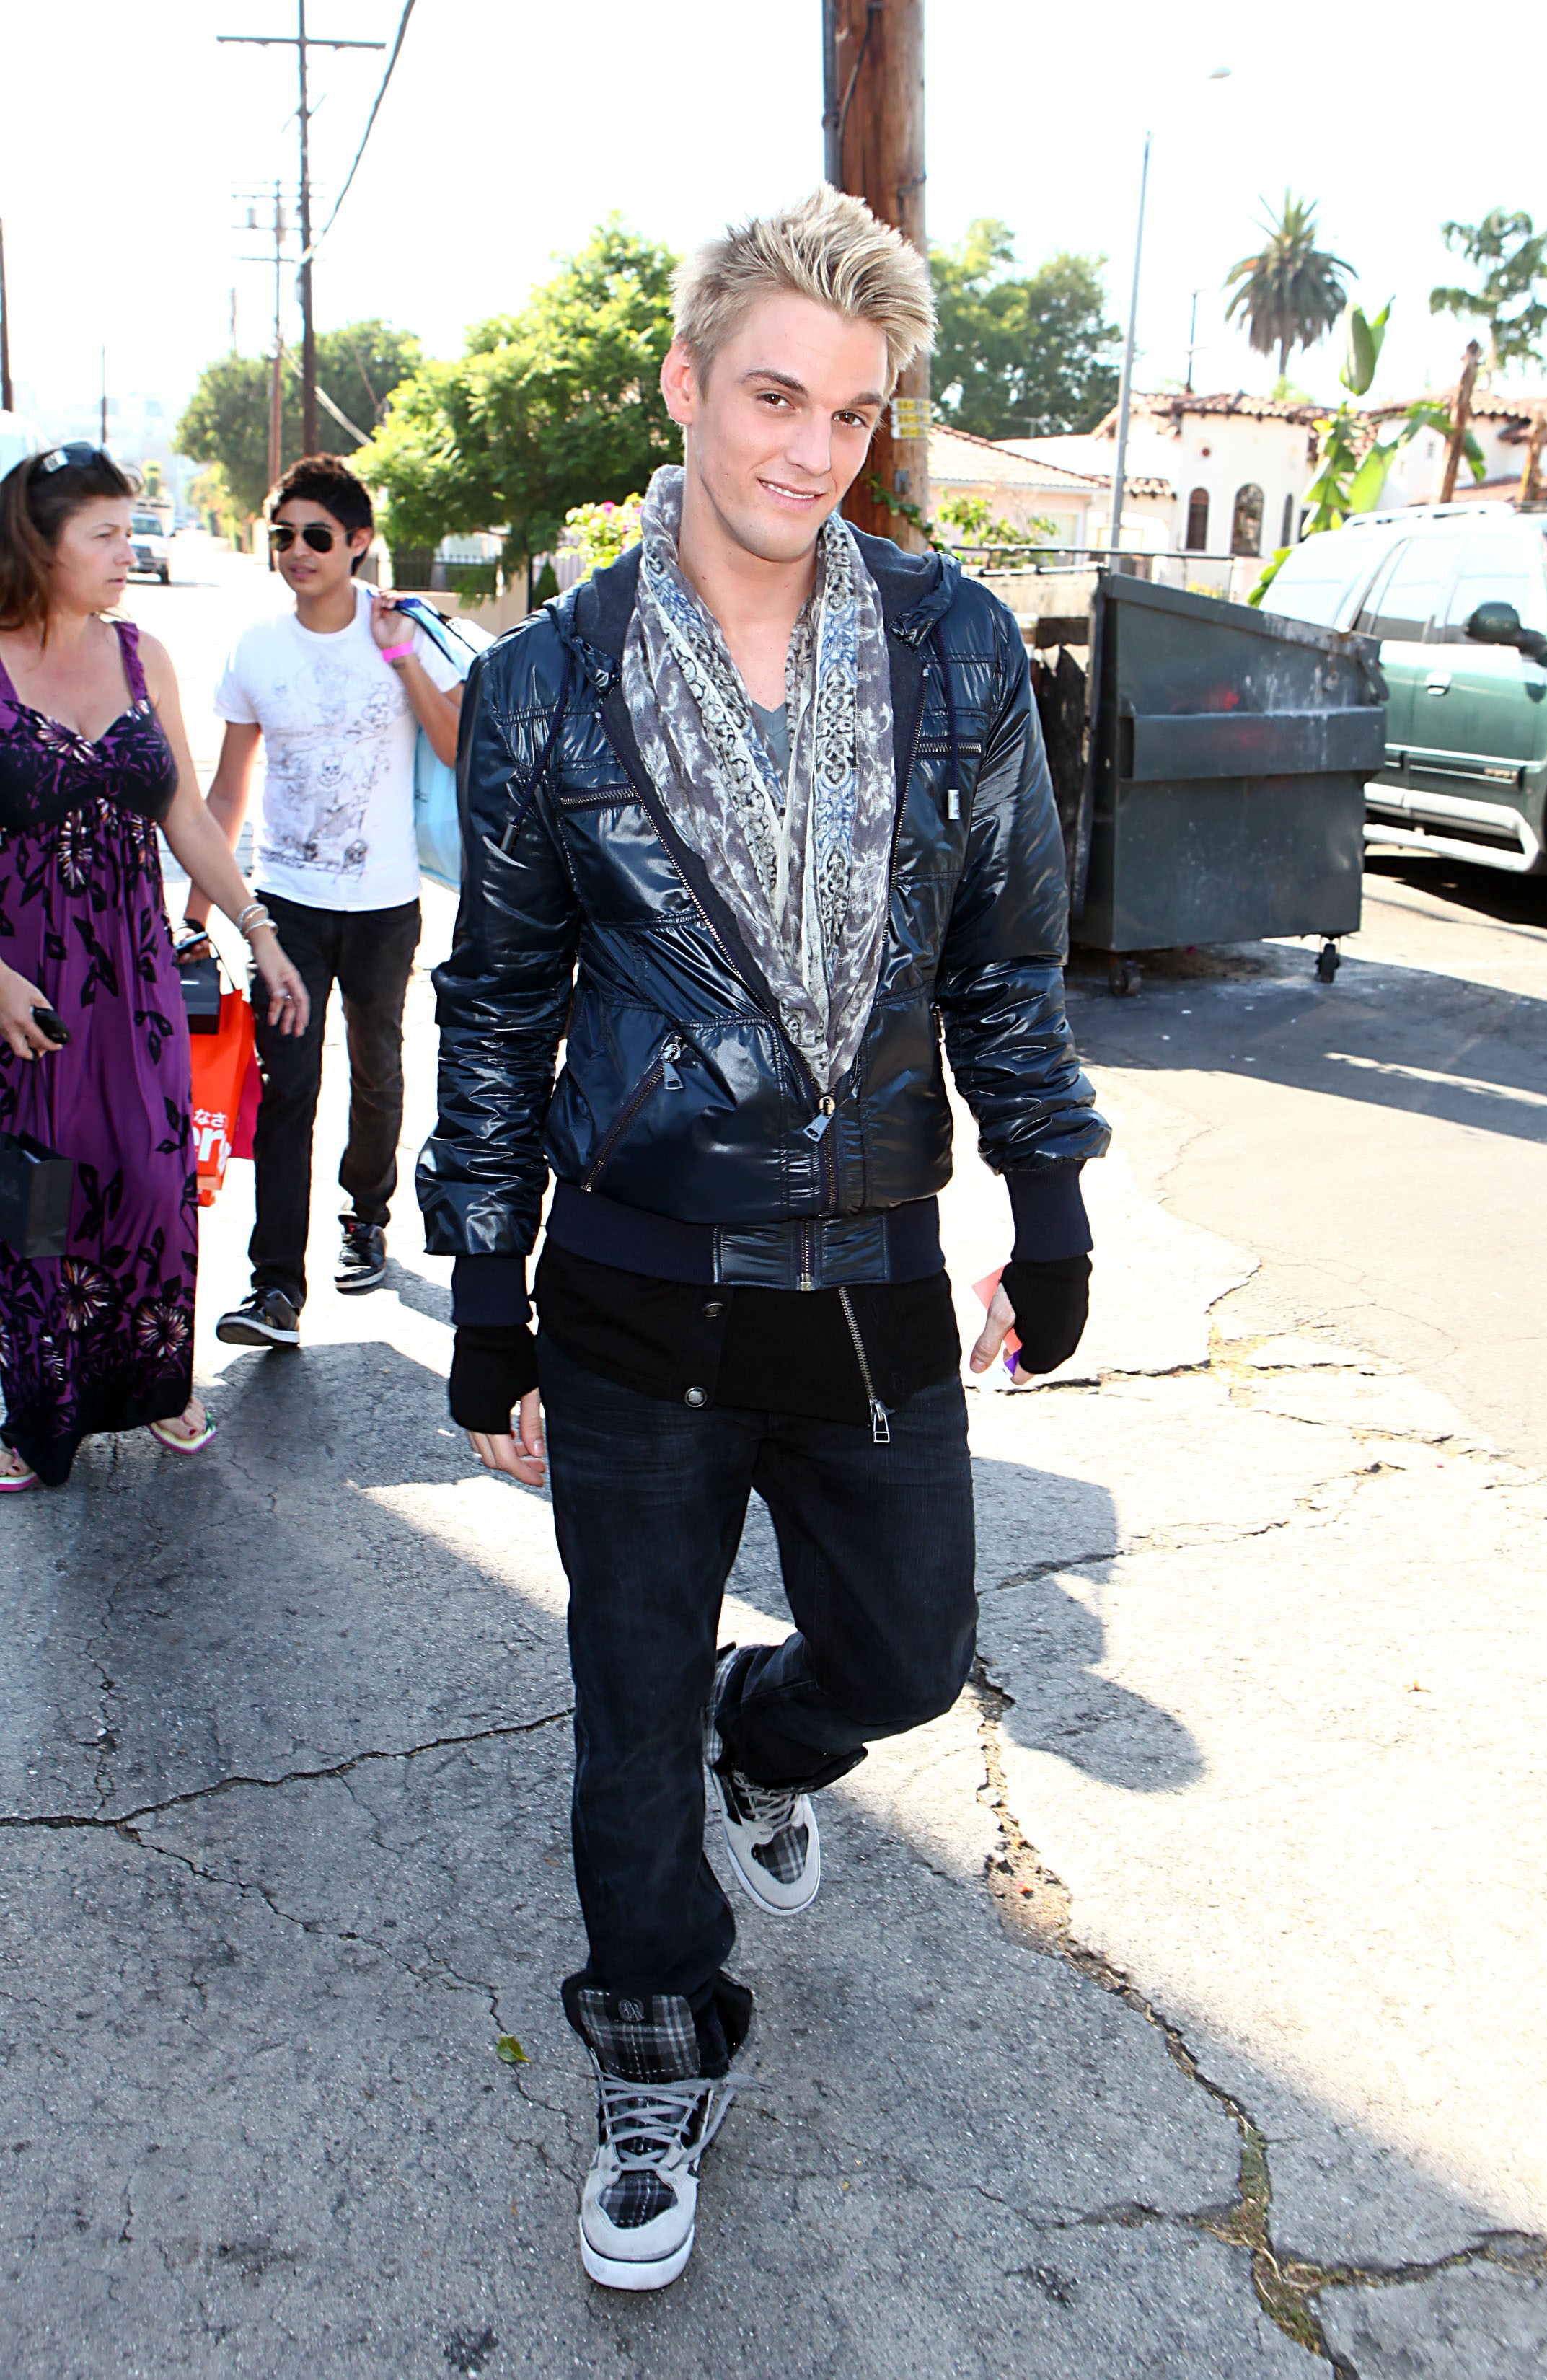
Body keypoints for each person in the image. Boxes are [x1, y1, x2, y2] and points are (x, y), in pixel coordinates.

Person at [418, 187, 1108, 2291]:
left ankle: (770, 1727)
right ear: (684, 384)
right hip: (634, 1279)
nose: (811, 451)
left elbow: (1004, 952)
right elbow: (498, 1002)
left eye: (852, 413)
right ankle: (654, 2043)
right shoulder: (547, 686)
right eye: (773, 398)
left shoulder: (954, 647)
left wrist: (1048, 1191)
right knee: (621, 1711)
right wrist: (482, 1288)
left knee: (904, 1654)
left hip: (868, 1261)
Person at [0, 445, 307, 1490]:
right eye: (105, 535)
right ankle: (35, 1407)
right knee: (40, 1196)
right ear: (40, 543)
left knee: (148, 1175)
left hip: (132, 978)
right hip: (25, 986)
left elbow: (184, 811)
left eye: (129, 531)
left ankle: (155, 1378)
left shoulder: (143, 656)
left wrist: (258, 929)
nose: (127, 552)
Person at [184, 454, 465, 1349]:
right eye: (284, 537)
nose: (297, 552)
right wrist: (196, 914)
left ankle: (366, 1214)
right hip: (287, 905)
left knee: (377, 1069)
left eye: (316, 536)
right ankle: (275, 1287)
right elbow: (227, 790)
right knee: (288, 1088)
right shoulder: (256, 648)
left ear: (358, 543)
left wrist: (399, 656)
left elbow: (458, 745)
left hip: (384, 904)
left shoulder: (402, 629)